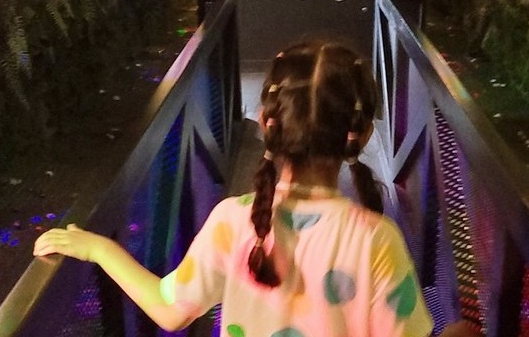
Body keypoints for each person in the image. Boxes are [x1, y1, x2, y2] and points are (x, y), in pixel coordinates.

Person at [34, 38, 475, 336]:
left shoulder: (232, 220)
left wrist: (99, 249)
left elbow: (169, 310)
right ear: (359, 136)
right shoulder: (377, 238)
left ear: (267, 124)